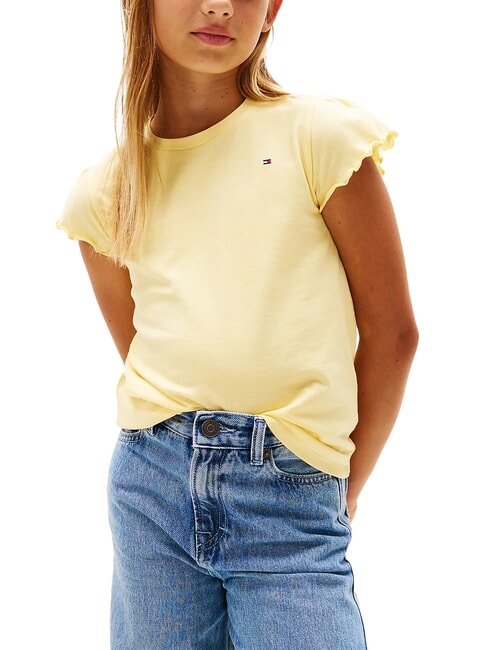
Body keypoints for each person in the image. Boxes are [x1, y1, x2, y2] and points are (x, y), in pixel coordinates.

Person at [57, 0, 418, 647]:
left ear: (272, 8)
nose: (220, 6)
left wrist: (339, 484)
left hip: (292, 491)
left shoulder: (319, 138)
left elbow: (394, 334)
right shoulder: (107, 192)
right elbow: (143, 352)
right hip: (151, 492)